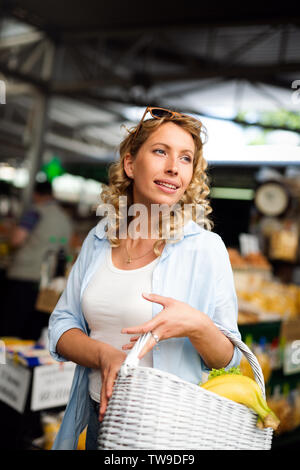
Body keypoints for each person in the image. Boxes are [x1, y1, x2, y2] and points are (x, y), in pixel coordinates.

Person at [48, 106, 242, 450]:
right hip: (98, 418)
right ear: (130, 163)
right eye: (160, 151)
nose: (173, 167)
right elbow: (63, 325)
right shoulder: (99, 239)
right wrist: (103, 356)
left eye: (186, 159)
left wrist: (197, 325)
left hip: (167, 432)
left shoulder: (206, 249)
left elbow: (228, 359)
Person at [2, 181, 73, 340]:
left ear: (35, 194)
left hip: (24, 276)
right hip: (49, 283)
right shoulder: (64, 218)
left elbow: (17, 239)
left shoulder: (35, 213)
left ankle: (5, 363)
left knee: (12, 326)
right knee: (33, 328)